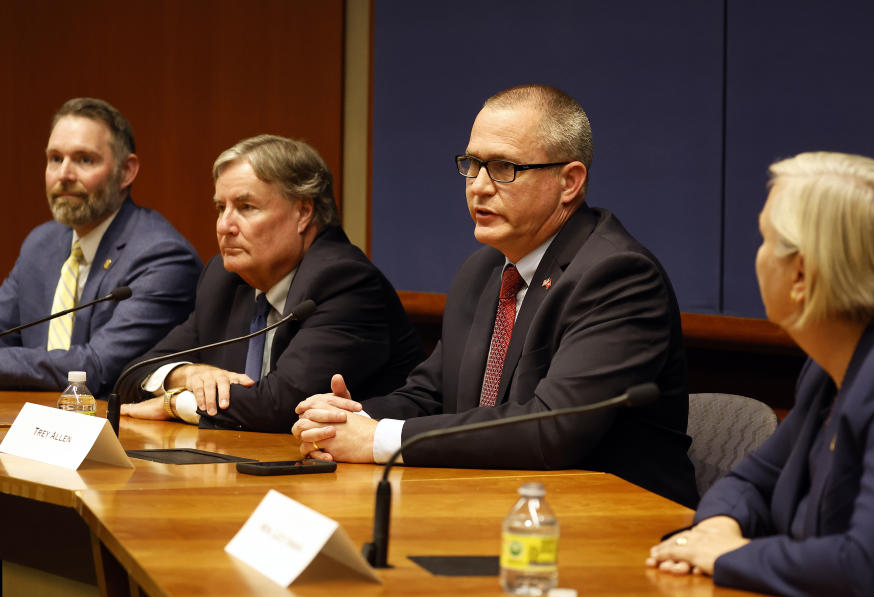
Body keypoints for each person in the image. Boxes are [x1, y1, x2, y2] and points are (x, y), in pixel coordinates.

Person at [292, 84, 698, 507]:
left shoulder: (617, 276)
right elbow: (431, 397)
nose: (478, 186)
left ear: (569, 182)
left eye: (504, 167)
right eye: (473, 164)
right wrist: (347, 419)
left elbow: (552, 429)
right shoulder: (483, 270)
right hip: (494, 506)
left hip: (614, 527)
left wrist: (378, 440)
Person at [646, 152, 874, 597]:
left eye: (765, 239)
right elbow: (750, 481)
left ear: (800, 275)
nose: (756, 255)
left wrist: (732, 555)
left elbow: (870, 567)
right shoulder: (830, 366)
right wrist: (715, 528)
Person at [118, 134, 424, 431]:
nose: (224, 226)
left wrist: (176, 404)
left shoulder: (345, 282)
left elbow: (280, 406)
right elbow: (132, 375)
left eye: (246, 207)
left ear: (303, 212)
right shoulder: (225, 280)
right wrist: (187, 374)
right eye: (220, 208)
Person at [0, 98, 201, 396]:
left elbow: (95, 368)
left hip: (115, 432)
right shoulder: (40, 244)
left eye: (84, 160)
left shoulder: (163, 257)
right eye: (55, 159)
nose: (64, 175)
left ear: (126, 171)